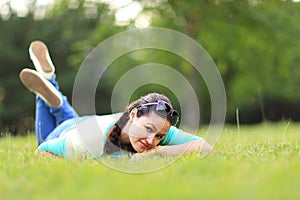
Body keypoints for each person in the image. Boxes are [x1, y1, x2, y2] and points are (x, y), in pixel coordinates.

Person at [19, 40, 212, 159]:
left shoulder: (157, 128)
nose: (152, 140)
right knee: (43, 135)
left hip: (82, 122)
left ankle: (52, 87)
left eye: (160, 137)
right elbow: (43, 151)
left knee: (61, 110)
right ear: (134, 114)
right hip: (66, 133)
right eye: (149, 130)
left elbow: (205, 147)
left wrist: (158, 152)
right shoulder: (91, 144)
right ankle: (49, 82)